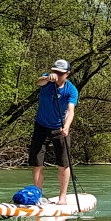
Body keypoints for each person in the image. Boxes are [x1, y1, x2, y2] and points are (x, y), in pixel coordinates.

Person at [29, 59, 79, 205]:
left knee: (64, 163)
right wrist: (46, 78)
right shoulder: (47, 80)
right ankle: (37, 197)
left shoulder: (71, 90)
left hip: (60, 128)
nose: (56, 75)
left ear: (67, 74)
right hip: (41, 126)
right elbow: (38, 82)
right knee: (37, 163)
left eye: (60, 73)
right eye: (55, 71)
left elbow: (70, 111)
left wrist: (67, 126)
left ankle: (62, 197)